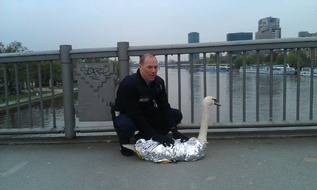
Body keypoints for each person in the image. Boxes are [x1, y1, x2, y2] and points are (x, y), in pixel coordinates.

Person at [112, 53, 189, 156]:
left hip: (147, 112)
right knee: (126, 126)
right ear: (140, 67)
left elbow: (164, 106)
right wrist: (154, 135)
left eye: (156, 67)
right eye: (149, 67)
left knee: (176, 114)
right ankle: (124, 143)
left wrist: (174, 131)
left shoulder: (159, 82)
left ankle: (142, 137)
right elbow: (134, 114)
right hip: (127, 115)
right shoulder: (128, 84)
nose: (153, 71)